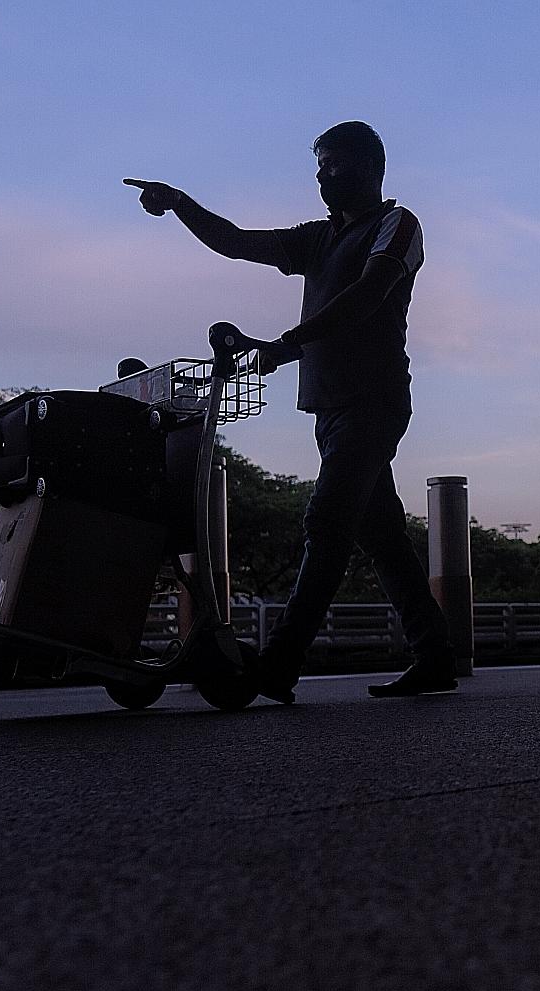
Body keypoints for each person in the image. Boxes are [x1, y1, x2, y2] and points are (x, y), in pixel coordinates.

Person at [123, 120, 456, 701]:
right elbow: (239, 241)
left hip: (373, 403)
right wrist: (180, 204)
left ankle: (279, 664)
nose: (324, 178)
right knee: (381, 536)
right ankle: (436, 657)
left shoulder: (397, 227)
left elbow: (368, 294)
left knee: (326, 522)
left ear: (370, 170)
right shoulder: (317, 239)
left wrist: (285, 344)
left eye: (336, 166)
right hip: (328, 410)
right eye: (320, 168)